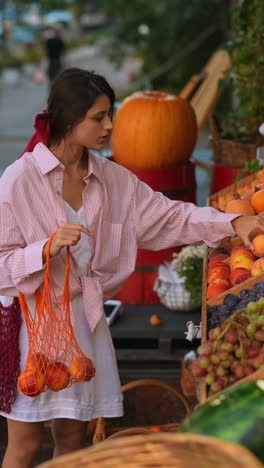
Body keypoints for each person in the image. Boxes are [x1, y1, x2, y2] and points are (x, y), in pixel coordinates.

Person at [0, 67, 264, 468]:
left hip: (83, 326)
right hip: (31, 325)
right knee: (23, 442)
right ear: (70, 121)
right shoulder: (19, 181)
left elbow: (169, 216)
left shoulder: (111, 180)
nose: (109, 126)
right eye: (99, 117)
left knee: (74, 438)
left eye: (111, 115)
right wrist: (44, 249)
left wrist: (231, 222)